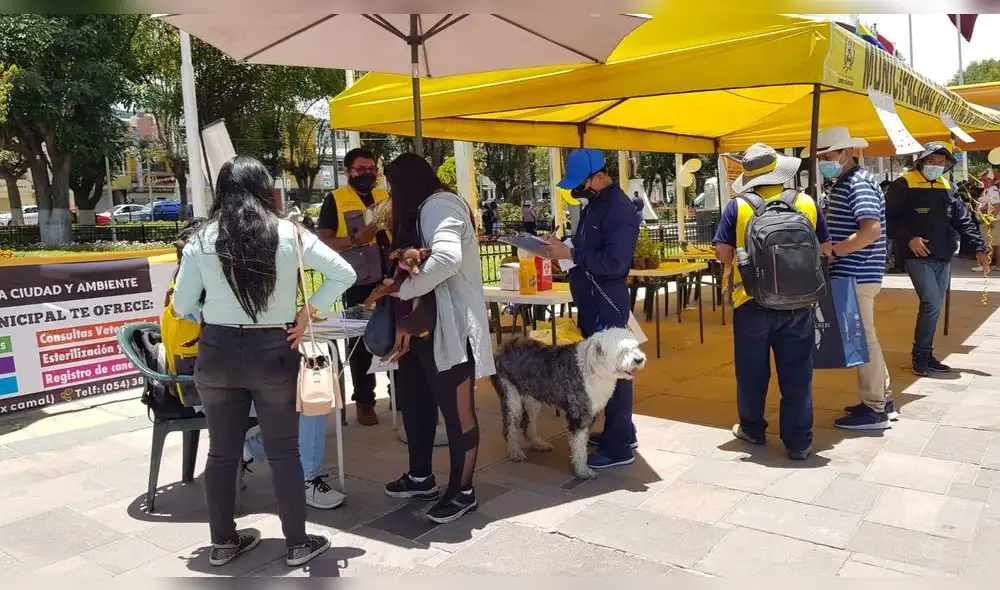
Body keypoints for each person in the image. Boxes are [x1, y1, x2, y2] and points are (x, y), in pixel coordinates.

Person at [173, 156, 356, 568]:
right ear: (264, 189)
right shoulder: (288, 232)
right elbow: (342, 272)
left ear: (222, 191)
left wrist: (206, 314)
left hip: (217, 351)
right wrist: (309, 312)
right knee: (284, 452)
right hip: (273, 350)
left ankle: (223, 543)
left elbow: (183, 304)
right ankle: (297, 544)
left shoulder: (203, 238)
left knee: (222, 453)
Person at [366, 153, 494, 524]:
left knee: (458, 414)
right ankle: (421, 477)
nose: (391, 197)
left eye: (393, 187)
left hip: (450, 333)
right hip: (423, 331)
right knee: (416, 404)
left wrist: (405, 290)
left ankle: (463, 490)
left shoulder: (441, 206)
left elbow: (448, 258)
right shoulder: (424, 208)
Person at [712, 143, 832, 460]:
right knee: (797, 374)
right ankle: (799, 441)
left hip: (750, 302)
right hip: (799, 303)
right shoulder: (805, 202)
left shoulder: (737, 207)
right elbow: (825, 248)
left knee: (752, 373)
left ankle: (752, 429)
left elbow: (723, 253)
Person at [541, 148, 640, 470]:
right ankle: (620, 431)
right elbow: (588, 248)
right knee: (603, 367)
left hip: (606, 300)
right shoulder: (595, 205)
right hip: (591, 299)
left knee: (616, 369)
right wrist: (562, 247)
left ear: (597, 176)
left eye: (580, 183)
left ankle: (619, 445)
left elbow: (614, 262)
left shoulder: (619, 210)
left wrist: (573, 255)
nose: (576, 190)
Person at [808, 128, 894, 430]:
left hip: (857, 273)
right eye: (820, 157)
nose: (823, 162)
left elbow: (871, 230)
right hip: (857, 273)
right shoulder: (849, 182)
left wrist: (836, 251)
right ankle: (882, 397)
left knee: (865, 338)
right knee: (867, 336)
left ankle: (875, 408)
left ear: (846, 153)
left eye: (827, 156)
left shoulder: (857, 183)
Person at [886, 142, 990, 377]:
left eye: (941, 163)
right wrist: (909, 238)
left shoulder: (948, 186)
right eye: (931, 161)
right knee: (931, 301)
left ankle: (926, 353)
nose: (936, 166)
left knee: (934, 306)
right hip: (916, 256)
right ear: (921, 162)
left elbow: (962, 220)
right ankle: (920, 355)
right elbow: (888, 218)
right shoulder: (904, 184)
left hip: (943, 255)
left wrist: (980, 248)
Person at [317, 147, 390, 426]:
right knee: (360, 341)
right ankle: (365, 401)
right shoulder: (335, 199)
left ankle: (398, 392)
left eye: (372, 169)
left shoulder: (385, 196)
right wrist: (358, 239)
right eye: (361, 170)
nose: (368, 174)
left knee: (397, 333)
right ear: (347, 172)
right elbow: (323, 241)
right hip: (357, 279)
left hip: (391, 274)